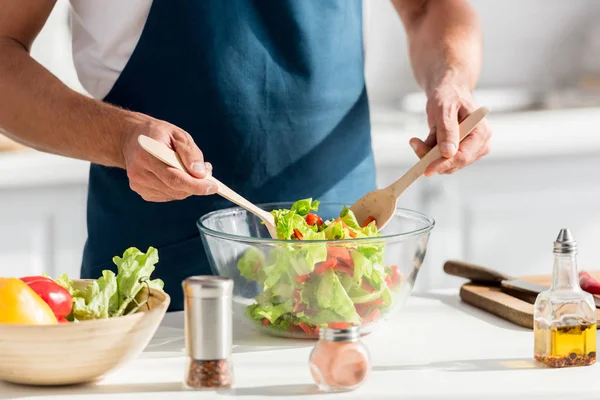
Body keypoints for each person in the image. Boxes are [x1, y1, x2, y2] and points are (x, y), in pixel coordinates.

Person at [0, 0, 492, 310]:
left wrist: (451, 79)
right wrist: (119, 136)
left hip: (347, 262)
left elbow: (430, 7)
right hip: (161, 269)